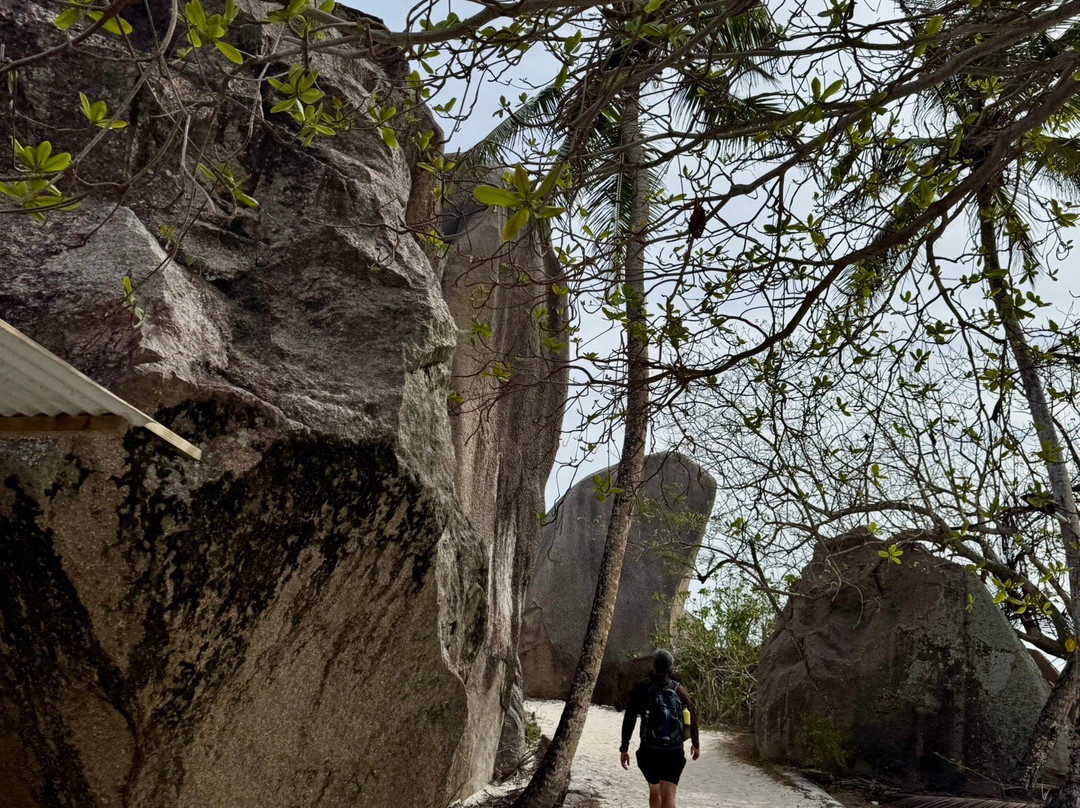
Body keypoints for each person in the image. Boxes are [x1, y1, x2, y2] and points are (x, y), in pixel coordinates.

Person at [619, 649, 700, 808]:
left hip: (649, 751)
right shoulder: (678, 690)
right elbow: (692, 716)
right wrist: (695, 744)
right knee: (669, 796)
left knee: (655, 793)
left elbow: (629, 719)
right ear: (671, 668)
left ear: (654, 665)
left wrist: (624, 747)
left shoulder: (642, 688)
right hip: (673, 751)